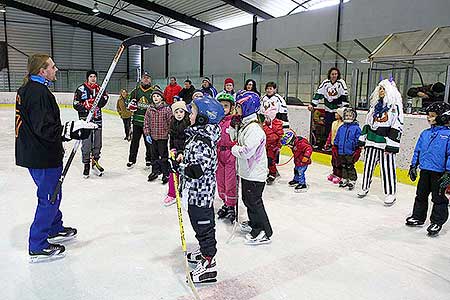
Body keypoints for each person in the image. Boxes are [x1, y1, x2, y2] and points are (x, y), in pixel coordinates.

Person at [16, 54, 97, 262]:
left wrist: (70, 130)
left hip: (35, 153)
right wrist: (70, 131)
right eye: (52, 67)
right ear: (42, 71)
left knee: (53, 194)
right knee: (49, 197)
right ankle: (37, 244)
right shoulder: (38, 93)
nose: (56, 69)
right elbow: (44, 128)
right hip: (42, 155)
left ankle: (54, 227)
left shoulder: (29, 89)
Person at [169, 96, 224, 284]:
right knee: (199, 224)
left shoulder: (202, 140)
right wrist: (182, 158)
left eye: (192, 112)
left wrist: (177, 168)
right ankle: (204, 248)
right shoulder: (198, 135)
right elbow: (195, 161)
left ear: (202, 118)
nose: (189, 115)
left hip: (200, 194)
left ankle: (209, 262)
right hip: (195, 192)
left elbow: (197, 170)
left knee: (203, 226)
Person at [230, 91, 273, 245]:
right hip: (247, 172)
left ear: (248, 107)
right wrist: (233, 127)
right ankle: (254, 224)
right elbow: (234, 138)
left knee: (254, 201)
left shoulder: (254, 129)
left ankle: (264, 231)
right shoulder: (245, 124)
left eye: (239, 106)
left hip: (255, 173)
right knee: (247, 200)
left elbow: (247, 151)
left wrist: (234, 149)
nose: (236, 109)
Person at [406, 102, 450, 236]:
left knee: (439, 198)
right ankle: (418, 217)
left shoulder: (448, 135)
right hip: (425, 171)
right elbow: (417, 150)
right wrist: (414, 166)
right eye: (428, 116)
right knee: (421, 195)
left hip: (440, 173)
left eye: (432, 116)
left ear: (443, 117)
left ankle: (437, 221)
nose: (428, 118)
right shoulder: (425, 133)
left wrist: (448, 172)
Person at [358, 79, 404, 206]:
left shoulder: (395, 107)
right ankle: (365, 187)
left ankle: (391, 193)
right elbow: (367, 123)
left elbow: (398, 124)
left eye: (384, 88)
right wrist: (363, 138)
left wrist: (392, 144)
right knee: (368, 166)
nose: (381, 91)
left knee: (387, 169)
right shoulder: (374, 107)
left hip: (385, 143)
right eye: (380, 88)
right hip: (371, 142)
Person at [73, 70, 109, 178]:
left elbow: (105, 99)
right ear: (87, 78)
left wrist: (98, 102)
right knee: (86, 143)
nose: (93, 78)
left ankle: (95, 162)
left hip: (97, 119)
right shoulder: (81, 89)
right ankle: (86, 164)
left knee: (97, 143)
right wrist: (85, 105)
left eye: (94, 76)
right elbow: (75, 104)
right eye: (91, 76)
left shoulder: (100, 89)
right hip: (85, 121)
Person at [309, 68, 348, 150]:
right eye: (332, 74)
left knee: (337, 128)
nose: (334, 76)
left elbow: (344, 96)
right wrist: (313, 104)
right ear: (329, 75)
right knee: (328, 127)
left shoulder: (341, 83)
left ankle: (336, 145)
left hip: (337, 112)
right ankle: (328, 144)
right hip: (328, 110)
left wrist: (345, 108)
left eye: (336, 74)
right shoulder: (325, 83)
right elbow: (319, 94)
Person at [125, 71, 155, 168]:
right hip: (137, 122)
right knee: (134, 142)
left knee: (148, 143)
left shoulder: (153, 92)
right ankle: (131, 160)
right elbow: (128, 102)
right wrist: (130, 104)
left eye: (148, 78)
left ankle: (149, 159)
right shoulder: (136, 91)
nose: (146, 79)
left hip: (148, 123)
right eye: (144, 77)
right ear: (141, 79)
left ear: (150, 80)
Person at [216, 93, 237, 223]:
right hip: (218, 153)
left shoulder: (234, 121)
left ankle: (231, 205)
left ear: (231, 107)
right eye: (221, 106)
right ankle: (225, 202)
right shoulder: (216, 120)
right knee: (220, 181)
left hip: (230, 154)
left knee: (230, 181)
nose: (223, 108)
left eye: (226, 106)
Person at [144, 89, 173, 184]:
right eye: (154, 96)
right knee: (154, 155)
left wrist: (169, 132)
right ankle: (155, 171)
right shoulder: (149, 109)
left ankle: (165, 173)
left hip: (162, 137)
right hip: (153, 137)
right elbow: (146, 123)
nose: (156, 98)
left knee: (164, 156)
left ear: (162, 98)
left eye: (158, 96)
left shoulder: (166, 109)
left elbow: (170, 122)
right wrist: (147, 134)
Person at [164, 100, 190, 206]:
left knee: (186, 173)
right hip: (176, 152)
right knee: (173, 172)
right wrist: (172, 149)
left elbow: (188, 140)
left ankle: (185, 193)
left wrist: (182, 152)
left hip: (186, 153)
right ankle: (172, 193)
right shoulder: (173, 123)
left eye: (181, 112)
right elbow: (172, 138)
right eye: (176, 112)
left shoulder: (188, 124)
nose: (179, 114)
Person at [333, 108, 361, 191]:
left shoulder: (356, 128)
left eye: (350, 115)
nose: (348, 117)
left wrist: (356, 147)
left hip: (350, 151)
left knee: (350, 166)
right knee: (343, 165)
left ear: (354, 116)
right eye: (346, 115)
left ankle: (352, 179)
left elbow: (358, 139)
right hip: (341, 150)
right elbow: (337, 137)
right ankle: (344, 178)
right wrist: (335, 144)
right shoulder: (341, 127)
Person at [262, 104, 284, 185]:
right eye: (266, 117)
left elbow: (280, 136)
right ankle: (272, 171)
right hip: (267, 146)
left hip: (273, 147)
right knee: (268, 160)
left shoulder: (277, 124)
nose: (266, 119)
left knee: (271, 160)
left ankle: (272, 174)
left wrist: (278, 146)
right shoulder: (265, 124)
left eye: (268, 117)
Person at [325, 107, 345, 184]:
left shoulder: (343, 124)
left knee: (339, 161)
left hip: (339, 146)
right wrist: (328, 142)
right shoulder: (334, 123)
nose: (335, 114)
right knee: (333, 160)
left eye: (337, 113)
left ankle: (340, 175)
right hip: (333, 145)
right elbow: (331, 134)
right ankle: (335, 173)